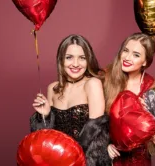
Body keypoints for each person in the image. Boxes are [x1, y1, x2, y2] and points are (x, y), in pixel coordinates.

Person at [30, 34, 111, 166]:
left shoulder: (92, 84)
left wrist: (73, 159)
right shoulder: (53, 88)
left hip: (86, 162)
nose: (75, 64)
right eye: (69, 58)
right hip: (57, 161)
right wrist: (45, 115)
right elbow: (46, 139)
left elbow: (96, 134)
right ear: (61, 60)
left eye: (82, 58)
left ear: (88, 60)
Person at [104, 32, 155, 166]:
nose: (127, 57)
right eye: (125, 51)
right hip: (112, 157)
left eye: (136, 55)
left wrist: (149, 113)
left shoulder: (152, 86)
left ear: (145, 62)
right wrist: (104, 145)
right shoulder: (106, 77)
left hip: (140, 159)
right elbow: (96, 119)